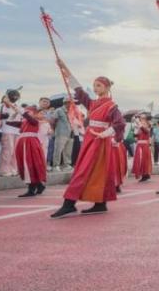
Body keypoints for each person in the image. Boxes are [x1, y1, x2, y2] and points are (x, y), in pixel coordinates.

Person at [49, 63, 125, 219]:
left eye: (99, 85)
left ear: (107, 87)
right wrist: (66, 71)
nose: (95, 88)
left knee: (83, 170)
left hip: (99, 140)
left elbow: (120, 123)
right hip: (91, 139)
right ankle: (100, 203)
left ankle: (69, 204)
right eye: (94, 85)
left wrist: (106, 133)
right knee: (95, 171)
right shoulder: (93, 103)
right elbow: (80, 92)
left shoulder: (111, 105)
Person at [15, 105, 48, 197]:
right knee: (24, 164)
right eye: (27, 111)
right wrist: (14, 113)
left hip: (30, 143)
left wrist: (20, 110)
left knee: (30, 163)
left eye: (29, 112)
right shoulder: (24, 121)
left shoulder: (35, 121)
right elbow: (10, 122)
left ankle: (34, 187)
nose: (27, 113)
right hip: (23, 143)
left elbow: (28, 117)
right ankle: (35, 186)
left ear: (35, 114)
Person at [52, 100, 74, 171]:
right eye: (71, 103)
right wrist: (53, 130)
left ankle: (66, 165)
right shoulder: (59, 110)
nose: (72, 104)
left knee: (68, 150)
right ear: (66, 103)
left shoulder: (72, 111)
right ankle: (56, 165)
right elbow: (53, 120)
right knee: (58, 149)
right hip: (61, 132)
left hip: (70, 133)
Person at [131, 114, 152, 182]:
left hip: (144, 146)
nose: (142, 123)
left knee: (144, 160)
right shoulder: (139, 129)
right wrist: (135, 128)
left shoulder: (147, 129)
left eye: (144, 122)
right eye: (141, 120)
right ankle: (143, 174)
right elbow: (135, 136)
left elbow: (145, 130)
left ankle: (145, 174)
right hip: (139, 146)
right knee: (138, 161)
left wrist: (139, 124)